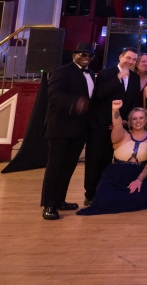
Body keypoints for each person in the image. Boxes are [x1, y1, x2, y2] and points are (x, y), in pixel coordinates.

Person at [41, 42, 96, 220]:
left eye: (90, 55)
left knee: (69, 166)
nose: (87, 58)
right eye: (83, 54)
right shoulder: (61, 71)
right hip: (61, 128)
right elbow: (54, 95)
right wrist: (75, 103)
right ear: (74, 55)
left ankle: (59, 200)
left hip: (80, 129)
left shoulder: (91, 74)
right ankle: (49, 205)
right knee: (55, 166)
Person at [85, 47, 142, 205]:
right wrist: (119, 77)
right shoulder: (106, 73)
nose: (130, 62)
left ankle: (103, 191)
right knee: (94, 161)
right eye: (128, 58)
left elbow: (134, 101)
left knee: (109, 161)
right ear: (120, 56)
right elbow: (100, 94)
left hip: (120, 128)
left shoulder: (135, 77)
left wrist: (124, 120)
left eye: (133, 60)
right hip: (100, 126)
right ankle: (90, 194)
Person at [77, 102, 147, 216]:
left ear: (146, 120)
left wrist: (139, 180)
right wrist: (115, 110)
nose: (138, 121)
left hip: (137, 174)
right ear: (129, 121)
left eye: (141, 118)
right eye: (134, 119)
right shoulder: (122, 134)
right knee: (104, 200)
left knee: (139, 200)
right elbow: (117, 124)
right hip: (116, 174)